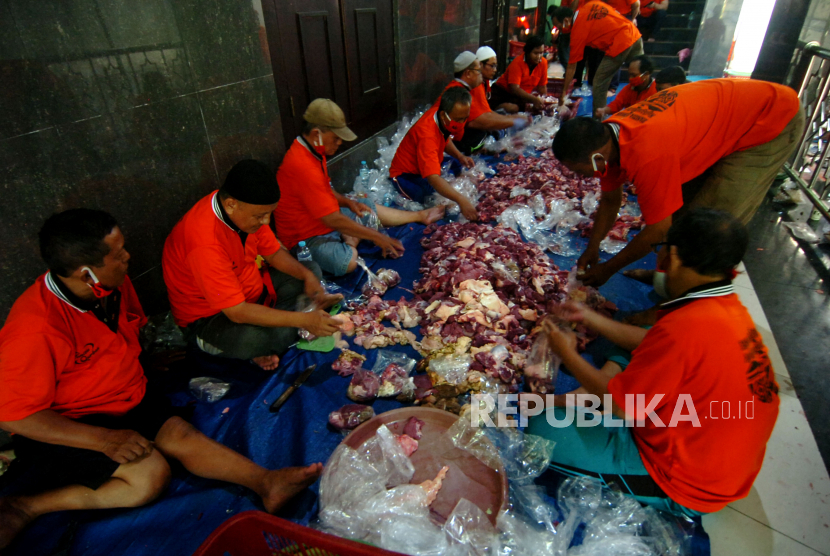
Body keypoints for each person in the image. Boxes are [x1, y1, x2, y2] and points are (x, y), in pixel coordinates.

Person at [0, 209, 322, 549]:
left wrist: (141, 361)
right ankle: (25, 505)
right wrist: (104, 440)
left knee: (179, 434)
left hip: (126, 394)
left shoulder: (110, 286)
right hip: (73, 420)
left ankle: (265, 481)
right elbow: (13, 415)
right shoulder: (35, 329)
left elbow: (119, 334)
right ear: (86, 274)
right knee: (149, 476)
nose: (128, 256)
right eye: (118, 253)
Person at [526, 208, 780, 517]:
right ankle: (591, 391)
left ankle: (647, 482)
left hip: (686, 481)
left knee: (541, 428)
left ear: (670, 257)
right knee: (646, 334)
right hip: (705, 435)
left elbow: (621, 406)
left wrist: (568, 353)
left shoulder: (685, 329)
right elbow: (654, 340)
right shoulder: (723, 309)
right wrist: (590, 317)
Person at [551, 79, 804, 287]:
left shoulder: (647, 152)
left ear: (595, 158)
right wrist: (593, 248)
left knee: (709, 230)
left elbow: (658, 230)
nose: (579, 177)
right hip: (725, 117)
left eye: (579, 171)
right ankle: (669, 278)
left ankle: (677, 303)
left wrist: (609, 268)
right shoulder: (607, 137)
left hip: (770, 118)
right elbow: (609, 200)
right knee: (683, 217)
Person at [163, 160, 341, 370]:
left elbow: (273, 254)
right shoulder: (204, 242)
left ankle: (293, 319)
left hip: (249, 291)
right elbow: (236, 312)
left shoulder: (244, 208)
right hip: (212, 319)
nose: (266, 222)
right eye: (260, 216)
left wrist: (307, 277)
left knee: (310, 269)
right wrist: (304, 321)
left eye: (269, 214)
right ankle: (287, 327)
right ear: (231, 205)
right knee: (253, 340)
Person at [275, 99, 444, 277]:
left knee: (364, 206)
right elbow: (332, 220)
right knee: (347, 263)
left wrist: (348, 203)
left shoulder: (314, 150)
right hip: (304, 238)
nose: (339, 143)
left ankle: (419, 215)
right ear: (316, 133)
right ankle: (350, 241)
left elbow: (323, 190)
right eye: (336, 138)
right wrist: (378, 237)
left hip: (321, 220)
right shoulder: (302, 166)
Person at [389, 86, 478, 220]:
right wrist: (461, 200)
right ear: (443, 115)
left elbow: (444, 138)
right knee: (426, 197)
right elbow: (433, 178)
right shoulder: (427, 135)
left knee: (454, 165)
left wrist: (460, 156)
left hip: (424, 163)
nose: (461, 123)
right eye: (458, 120)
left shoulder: (441, 116)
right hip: (405, 174)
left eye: (464, 119)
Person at [552, 3, 644, 115]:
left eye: (560, 27)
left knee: (599, 82)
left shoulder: (578, 30)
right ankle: (645, 110)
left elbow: (572, 67)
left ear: (566, 20)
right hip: (634, 34)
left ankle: (598, 121)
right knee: (642, 75)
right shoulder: (590, 4)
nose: (560, 30)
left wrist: (563, 95)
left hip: (621, 42)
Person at [434, 52, 528, 154]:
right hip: (443, 141)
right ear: (468, 73)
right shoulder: (459, 92)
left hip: (451, 138)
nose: (481, 74)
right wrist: (513, 121)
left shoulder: (467, 87)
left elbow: (483, 113)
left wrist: (510, 120)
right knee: (484, 134)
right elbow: (476, 121)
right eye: (478, 71)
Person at [489, 35, 548, 113]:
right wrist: (533, 99)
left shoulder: (543, 63)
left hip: (521, 97)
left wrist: (544, 101)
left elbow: (542, 87)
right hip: (503, 93)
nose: (539, 56)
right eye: (535, 53)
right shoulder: (517, 63)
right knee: (513, 108)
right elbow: (514, 89)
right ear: (528, 52)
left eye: (541, 53)